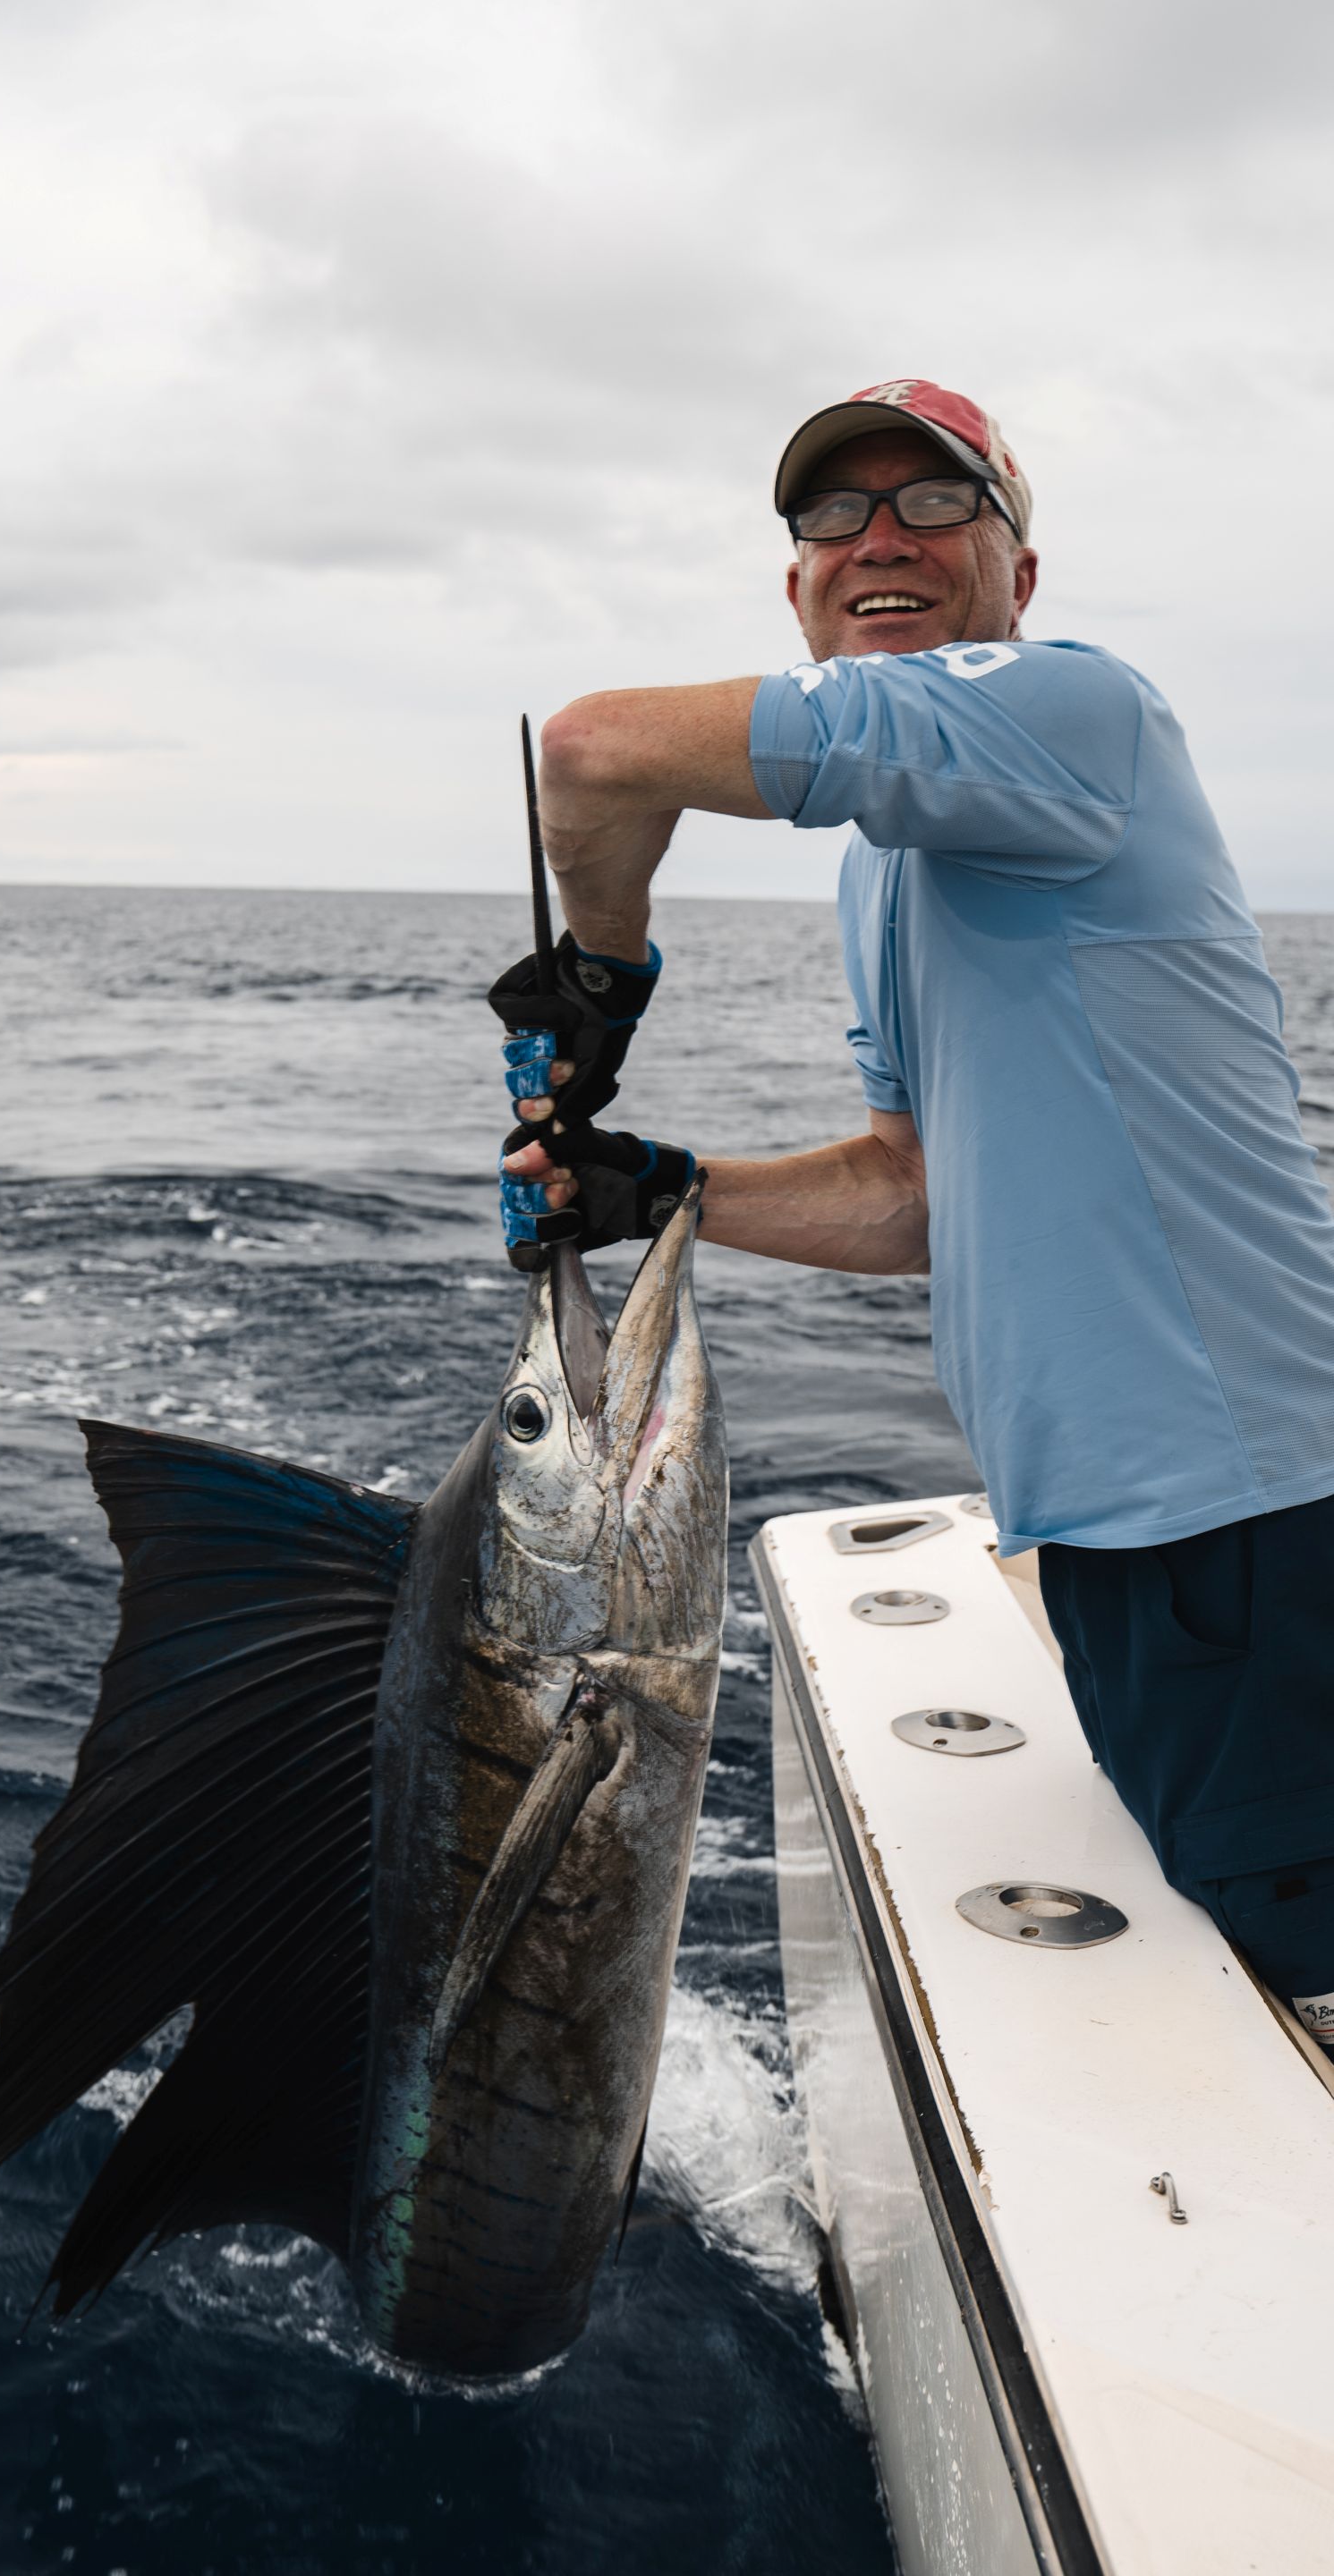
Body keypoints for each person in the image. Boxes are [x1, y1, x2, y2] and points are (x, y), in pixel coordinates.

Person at [492, 377, 1334, 2050]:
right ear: (795, 582)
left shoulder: (1073, 710)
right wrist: (666, 1190)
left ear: (1019, 569)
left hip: (1245, 1515)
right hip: (1115, 1527)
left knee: (1293, 1985)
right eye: (833, 518)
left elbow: (588, 750)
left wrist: (600, 974)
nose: (880, 540)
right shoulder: (896, 857)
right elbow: (911, 1195)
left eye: (936, 505)